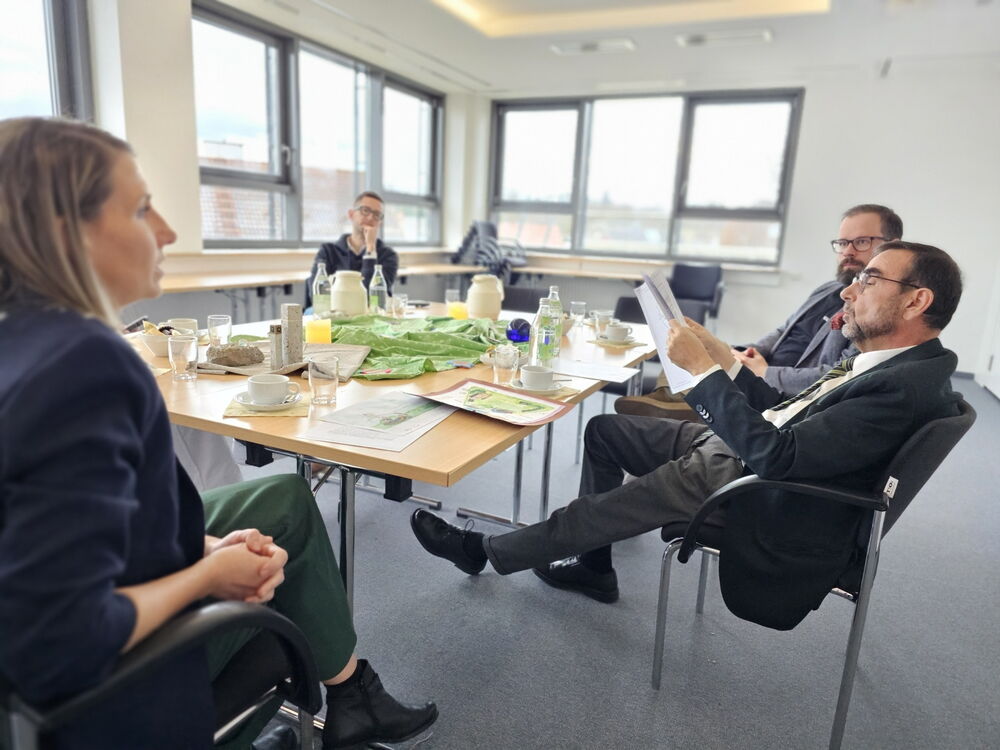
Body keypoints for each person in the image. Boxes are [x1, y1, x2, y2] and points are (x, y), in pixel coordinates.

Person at [0, 118, 436, 750]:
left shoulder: (25, 342)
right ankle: (341, 697)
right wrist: (208, 578)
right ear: (67, 231)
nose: (168, 231)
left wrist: (204, 547)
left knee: (280, 504)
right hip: (115, 702)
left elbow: (80, 541)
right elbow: (56, 640)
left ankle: (348, 698)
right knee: (284, 613)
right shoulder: (86, 365)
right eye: (142, 209)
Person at [411, 241, 962, 625]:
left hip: (763, 490)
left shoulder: (900, 388)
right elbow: (786, 411)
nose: (849, 291)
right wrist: (721, 358)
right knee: (605, 431)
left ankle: (484, 551)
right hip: (748, 450)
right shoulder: (893, 364)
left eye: (870, 280)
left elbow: (777, 457)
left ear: (917, 300)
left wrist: (700, 372)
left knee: (611, 506)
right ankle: (594, 566)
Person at [616, 204, 903, 418]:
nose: (848, 251)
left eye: (861, 242)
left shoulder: (875, 314)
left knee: (697, 362)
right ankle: (671, 399)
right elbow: (784, 330)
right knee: (691, 342)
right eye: (842, 243)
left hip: (776, 393)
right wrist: (747, 353)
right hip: (759, 369)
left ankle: (687, 406)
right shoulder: (828, 289)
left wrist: (764, 372)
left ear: (892, 246)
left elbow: (835, 376)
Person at [305, 191, 399, 308]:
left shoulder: (388, 255)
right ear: (351, 214)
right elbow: (317, 296)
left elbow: (372, 299)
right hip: (334, 313)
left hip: (369, 316)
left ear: (380, 222)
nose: (371, 217)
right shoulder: (328, 251)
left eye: (377, 214)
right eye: (365, 210)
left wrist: (370, 250)